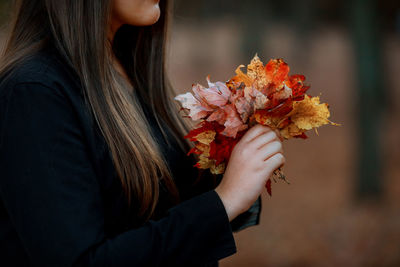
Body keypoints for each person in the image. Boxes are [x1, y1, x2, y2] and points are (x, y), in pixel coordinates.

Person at [0, 0, 285, 266]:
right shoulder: (35, 93)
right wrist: (224, 202)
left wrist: (235, 157)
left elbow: (160, 209)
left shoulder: (125, 70)